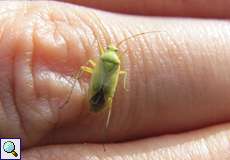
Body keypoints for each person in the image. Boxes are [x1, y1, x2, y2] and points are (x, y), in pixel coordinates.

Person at [0, 1, 230, 159]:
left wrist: (6, 155)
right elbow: (121, 78)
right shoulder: (118, 65)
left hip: (93, 87)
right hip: (103, 94)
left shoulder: (101, 59)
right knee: (104, 97)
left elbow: (87, 70)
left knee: (83, 71)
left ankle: (5, 153)